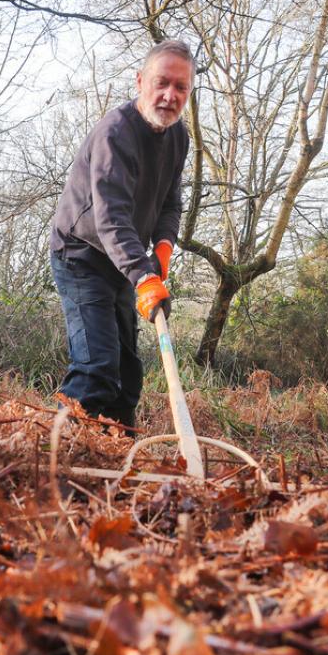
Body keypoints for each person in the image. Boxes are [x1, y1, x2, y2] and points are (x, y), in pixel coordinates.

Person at [49, 39, 195, 430]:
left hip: (122, 262)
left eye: (181, 87)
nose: (169, 95)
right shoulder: (115, 133)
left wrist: (162, 249)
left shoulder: (178, 138)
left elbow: (170, 203)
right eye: (162, 83)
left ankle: (114, 459)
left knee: (128, 377)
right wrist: (144, 276)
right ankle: (53, 457)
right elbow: (109, 216)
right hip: (80, 253)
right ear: (140, 82)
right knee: (97, 367)